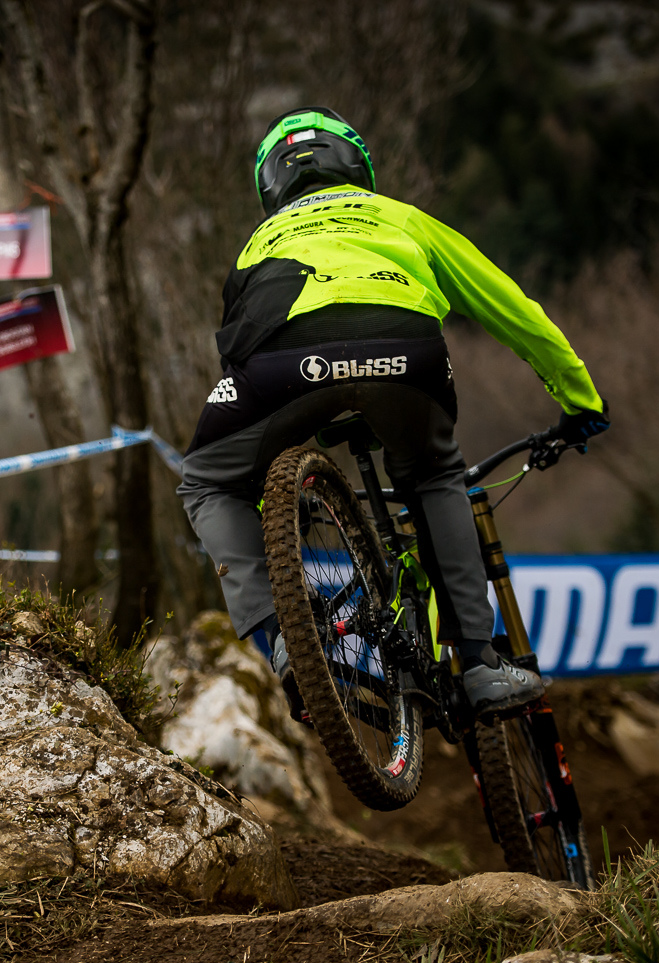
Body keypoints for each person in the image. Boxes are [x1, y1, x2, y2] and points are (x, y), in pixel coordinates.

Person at [177, 106, 609, 721]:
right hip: (407, 360)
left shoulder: (258, 242)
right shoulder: (401, 217)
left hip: (287, 370)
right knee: (434, 475)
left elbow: (238, 343)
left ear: (270, 185)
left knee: (208, 480)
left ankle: (286, 646)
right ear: (356, 165)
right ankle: (482, 666)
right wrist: (580, 400)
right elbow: (515, 311)